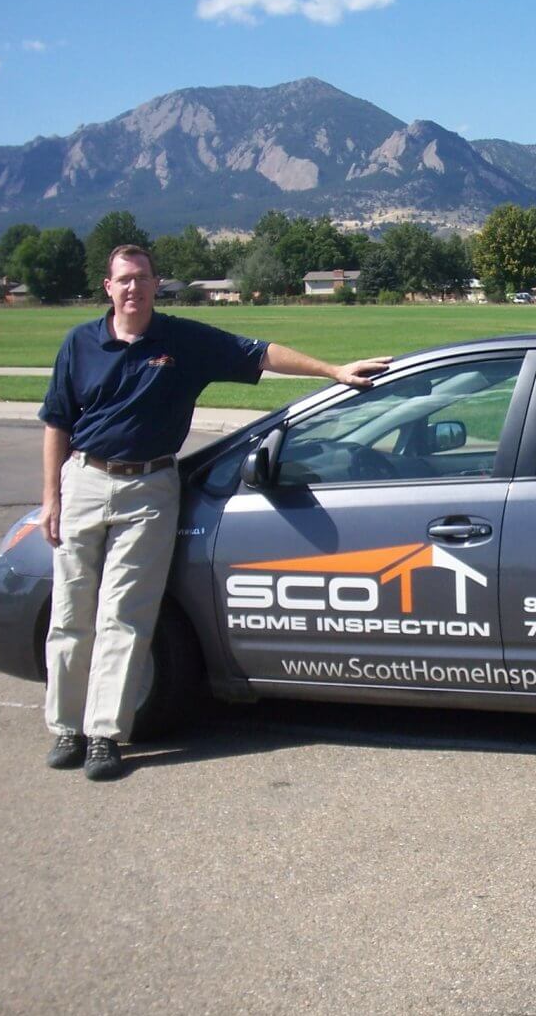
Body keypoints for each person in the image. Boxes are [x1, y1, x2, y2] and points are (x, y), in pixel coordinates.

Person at [38, 244, 389, 780]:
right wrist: (51, 498)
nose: (133, 288)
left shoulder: (182, 341)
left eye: (142, 278)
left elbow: (260, 354)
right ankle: (67, 727)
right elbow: (57, 422)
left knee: (125, 615)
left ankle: (105, 734)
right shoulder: (79, 343)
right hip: (84, 478)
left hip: (149, 489)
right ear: (108, 287)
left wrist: (333, 370)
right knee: (70, 611)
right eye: (124, 279)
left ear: (156, 284)